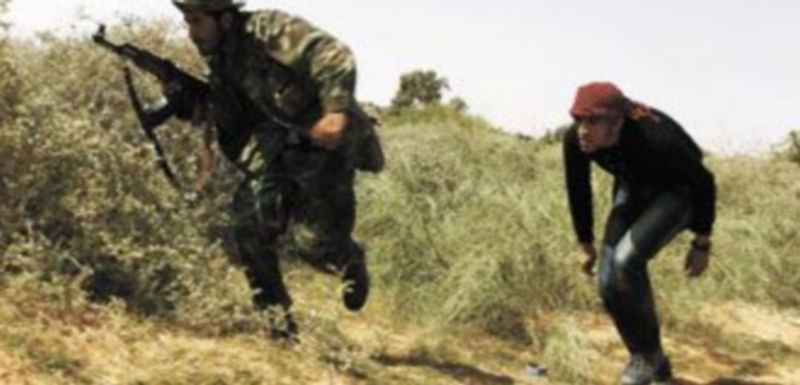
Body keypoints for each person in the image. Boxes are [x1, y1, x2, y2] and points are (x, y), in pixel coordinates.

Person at [167, 0, 383, 341]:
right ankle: (278, 326)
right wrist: (189, 105)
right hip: (282, 146)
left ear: (223, 18)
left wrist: (335, 110)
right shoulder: (220, 57)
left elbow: (333, 53)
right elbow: (230, 116)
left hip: (331, 146)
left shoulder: (268, 30)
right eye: (187, 22)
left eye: (196, 21)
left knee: (315, 246)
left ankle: (349, 259)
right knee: (247, 221)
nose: (191, 32)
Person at [562, 82, 716, 384]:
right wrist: (585, 243)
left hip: (677, 190)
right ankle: (652, 358)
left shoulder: (659, 139)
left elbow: (704, 182)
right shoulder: (576, 139)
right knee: (608, 281)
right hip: (634, 184)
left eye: (594, 121)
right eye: (579, 119)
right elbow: (577, 187)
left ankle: (643, 360)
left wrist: (701, 243)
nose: (583, 129)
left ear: (618, 121)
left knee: (625, 262)